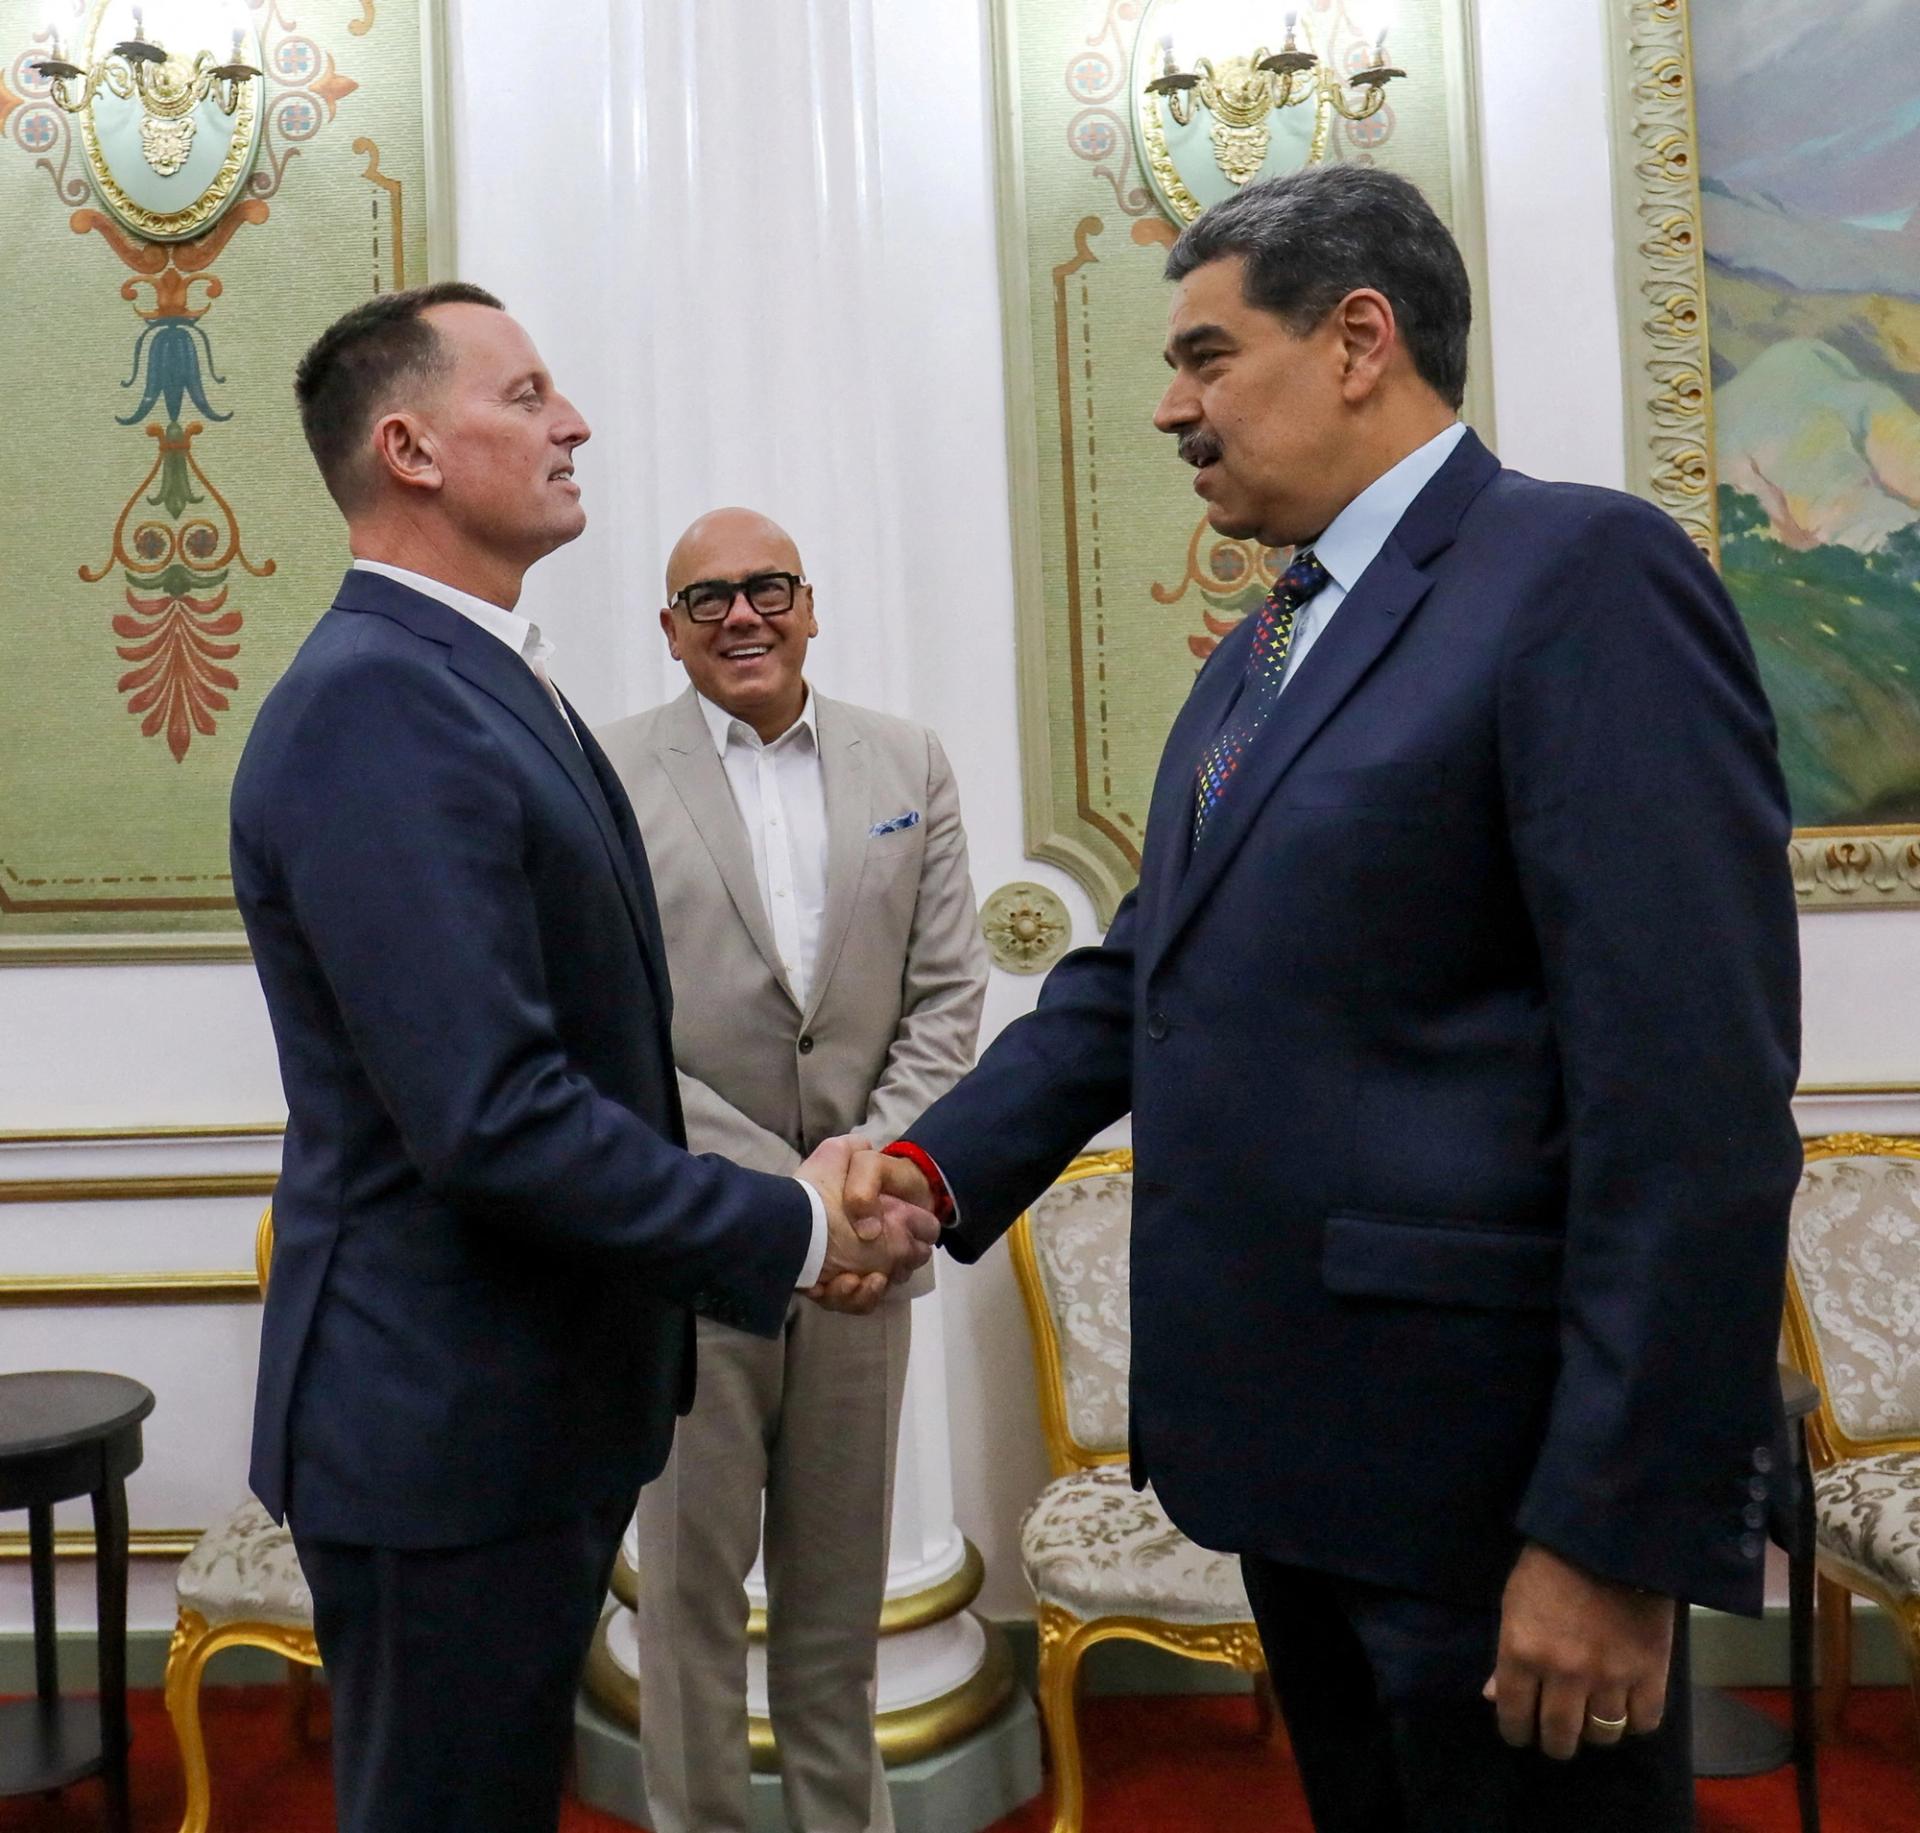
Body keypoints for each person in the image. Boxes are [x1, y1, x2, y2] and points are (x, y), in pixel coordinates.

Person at [849, 166, 1802, 1832]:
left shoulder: (1584, 576)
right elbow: (1148, 970)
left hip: (1494, 1497)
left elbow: (1694, 1104)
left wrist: (1609, 1532)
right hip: (1303, 1471)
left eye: (1208, 356)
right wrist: (933, 1173)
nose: (1171, 407)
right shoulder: (1261, 648)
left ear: (1360, 338)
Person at [229, 284, 936, 1833]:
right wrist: (795, 1225)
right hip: (443, 1426)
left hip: (522, 1407)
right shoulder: (379, 704)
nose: (576, 422)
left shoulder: (476, 679)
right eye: (530, 392)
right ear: (410, 447)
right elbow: (492, 1114)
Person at [598, 506, 988, 1833]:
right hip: (698, 1253)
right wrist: (790, 1202)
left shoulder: (909, 761)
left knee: (837, 1625)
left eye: (768, 588)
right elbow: (618, 1034)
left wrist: (866, 1188)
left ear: (810, 604)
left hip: (867, 1267)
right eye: (708, 599)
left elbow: (947, 997)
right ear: (670, 631)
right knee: (692, 1626)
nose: (742, 615)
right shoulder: (606, 771)